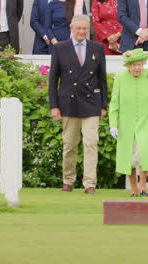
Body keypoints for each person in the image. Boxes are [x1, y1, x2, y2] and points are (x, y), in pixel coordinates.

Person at [48, 15, 107, 194]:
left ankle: (89, 184)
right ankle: (68, 180)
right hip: (68, 104)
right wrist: (54, 106)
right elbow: (53, 80)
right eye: (78, 28)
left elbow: (102, 79)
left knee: (91, 143)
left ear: (88, 30)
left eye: (84, 29)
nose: (81, 32)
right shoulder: (60, 48)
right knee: (69, 145)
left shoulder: (97, 48)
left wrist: (103, 105)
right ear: (71, 29)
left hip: (91, 104)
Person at [109, 48, 148, 197]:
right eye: (133, 65)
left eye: (140, 64)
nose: (137, 68)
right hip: (125, 123)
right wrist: (113, 124)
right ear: (128, 66)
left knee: (143, 153)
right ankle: (133, 188)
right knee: (128, 156)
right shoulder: (120, 78)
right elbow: (114, 103)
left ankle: (143, 186)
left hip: (146, 121)